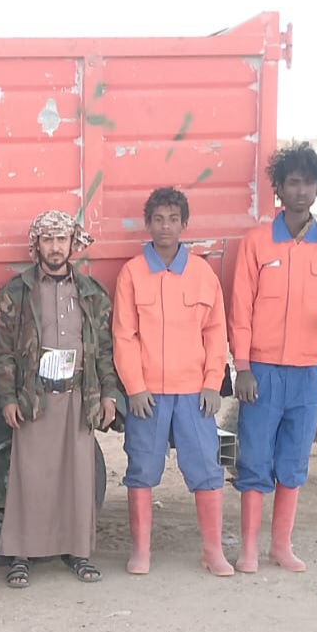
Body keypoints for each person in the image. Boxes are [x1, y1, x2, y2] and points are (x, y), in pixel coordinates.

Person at [228, 142, 317, 573]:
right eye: (293, 183)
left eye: (308, 183)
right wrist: (242, 366)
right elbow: (240, 309)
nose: (301, 191)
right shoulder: (256, 244)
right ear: (279, 189)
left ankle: (280, 546)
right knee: (254, 458)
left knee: (293, 460)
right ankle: (248, 548)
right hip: (261, 371)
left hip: (306, 371)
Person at [0, 210, 121, 588]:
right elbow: (4, 352)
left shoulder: (92, 293)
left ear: (71, 244)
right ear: (37, 245)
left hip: (78, 397)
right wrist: (7, 398)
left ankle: (77, 553)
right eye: (47, 240)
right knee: (30, 478)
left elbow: (103, 350)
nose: (54, 247)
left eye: (61, 239)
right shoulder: (16, 292)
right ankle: (21, 555)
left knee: (77, 478)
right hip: (35, 398)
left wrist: (108, 395)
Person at [112, 187, 233, 577]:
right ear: (148, 224)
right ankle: (141, 552)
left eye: (173, 219)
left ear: (184, 225)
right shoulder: (132, 273)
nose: (165, 226)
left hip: (194, 393)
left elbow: (215, 331)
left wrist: (212, 382)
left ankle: (213, 551)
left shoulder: (202, 274)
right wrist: (134, 387)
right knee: (141, 468)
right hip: (148, 394)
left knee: (206, 468)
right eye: (158, 219)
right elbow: (124, 335)